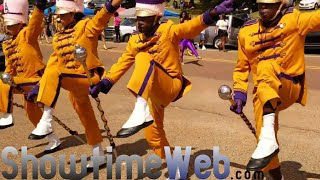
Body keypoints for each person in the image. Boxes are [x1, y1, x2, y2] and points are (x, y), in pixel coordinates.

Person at [89, 0, 234, 178]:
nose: (139, 23)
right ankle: (176, 164)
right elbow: (123, 62)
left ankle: (140, 109)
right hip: (150, 92)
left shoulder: (168, 30)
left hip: (170, 84)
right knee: (153, 135)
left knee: (143, 57)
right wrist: (104, 83)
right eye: (137, 19)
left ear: (157, 17)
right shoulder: (135, 39)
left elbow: (190, 28)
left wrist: (212, 13)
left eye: (145, 19)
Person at [25, 0, 124, 169]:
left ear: (74, 13)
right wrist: (38, 87)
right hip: (71, 82)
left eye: (64, 15)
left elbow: (102, 17)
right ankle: (98, 154)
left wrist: (114, 3)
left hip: (88, 78)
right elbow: (52, 64)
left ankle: (46, 119)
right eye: (59, 15)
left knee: (57, 72)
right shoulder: (58, 36)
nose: (60, 19)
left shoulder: (86, 26)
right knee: (85, 115)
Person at [230, 0, 316, 178]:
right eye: (261, 4)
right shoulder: (246, 31)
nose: (263, 9)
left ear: (281, 5)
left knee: (265, 65)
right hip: (263, 92)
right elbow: (242, 67)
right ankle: (274, 169)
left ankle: (267, 140)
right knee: (263, 136)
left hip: (288, 86)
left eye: (269, 5)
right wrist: (239, 93)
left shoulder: (295, 19)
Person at [0, 0, 61, 153]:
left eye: (11, 24)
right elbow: (10, 69)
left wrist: (40, 6)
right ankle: (54, 140)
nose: (8, 28)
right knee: (33, 115)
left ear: (20, 24)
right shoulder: (7, 45)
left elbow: (34, 22)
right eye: (7, 25)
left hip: (37, 80)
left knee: (3, 82)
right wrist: (8, 78)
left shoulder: (28, 34)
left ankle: (7, 115)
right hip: (23, 82)